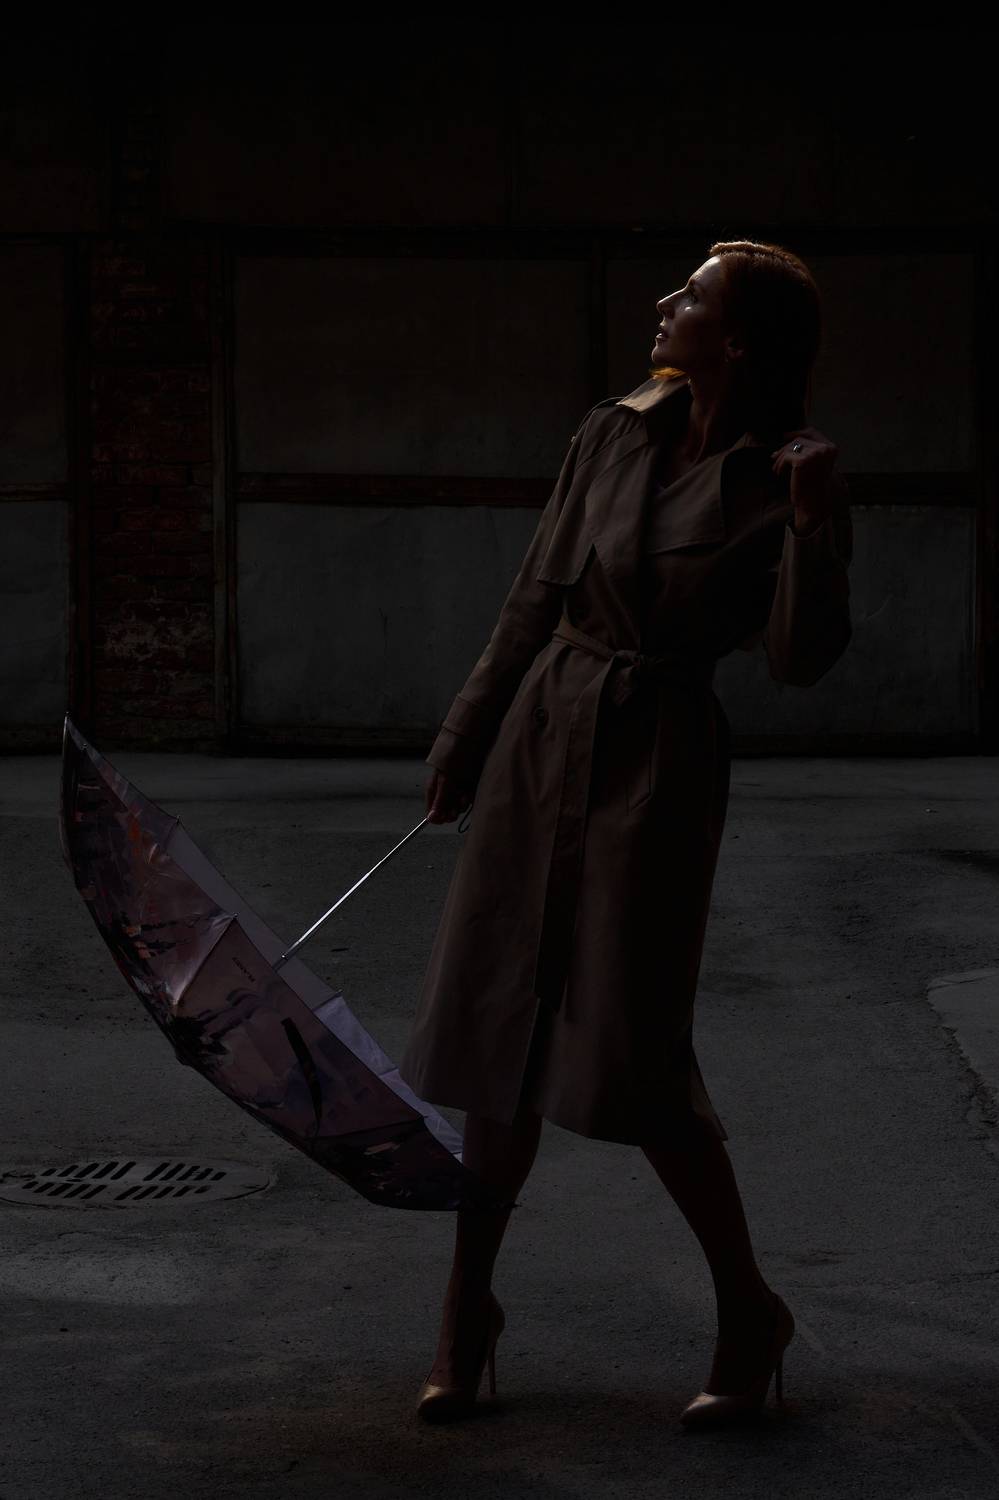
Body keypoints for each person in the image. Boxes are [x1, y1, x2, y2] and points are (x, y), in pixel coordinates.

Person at [403, 240, 853, 1427]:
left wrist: (814, 526)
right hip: (543, 733)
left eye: (690, 296)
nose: (664, 303)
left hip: (658, 758)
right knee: (499, 1026)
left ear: (737, 340)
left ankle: (747, 1307)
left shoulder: (787, 474)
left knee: (636, 1049)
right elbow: (535, 595)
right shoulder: (613, 431)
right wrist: (465, 734)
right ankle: (466, 1310)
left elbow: (801, 660)